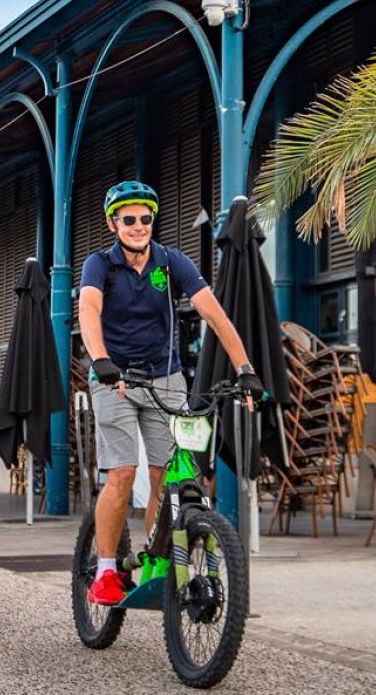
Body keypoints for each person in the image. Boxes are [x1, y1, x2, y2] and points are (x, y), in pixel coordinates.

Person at [78, 181, 264, 606]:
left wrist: (245, 368)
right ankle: (106, 571)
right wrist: (101, 360)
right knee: (123, 473)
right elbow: (89, 310)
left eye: (145, 218)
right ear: (113, 224)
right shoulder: (99, 265)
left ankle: (160, 563)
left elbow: (214, 314)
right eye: (129, 219)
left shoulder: (172, 261)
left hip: (166, 378)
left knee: (169, 473)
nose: (139, 226)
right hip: (115, 380)